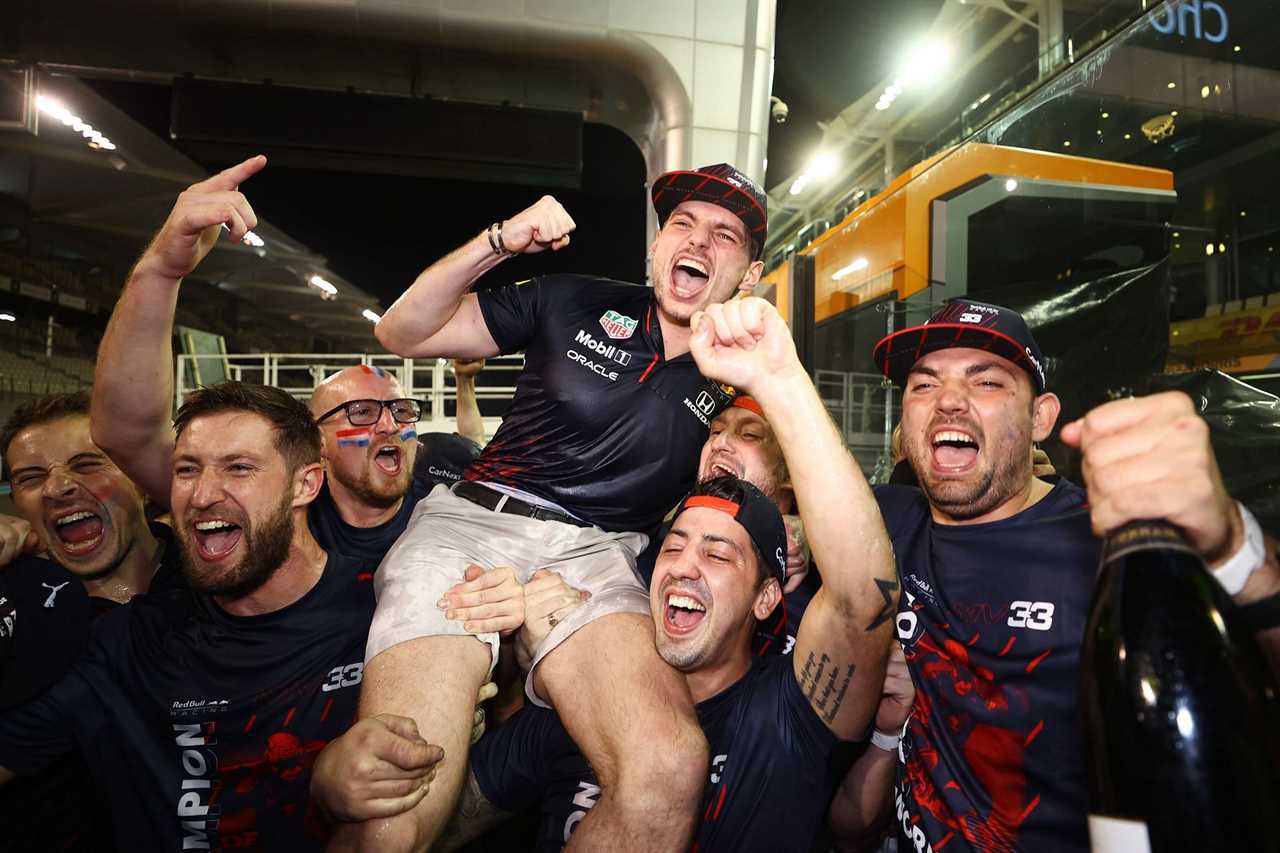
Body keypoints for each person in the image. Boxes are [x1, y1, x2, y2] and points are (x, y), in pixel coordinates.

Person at [313, 297, 901, 852]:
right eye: (675, 547)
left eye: (719, 555)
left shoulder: (786, 710)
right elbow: (439, 812)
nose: (685, 568)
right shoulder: (596, 633)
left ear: (767, 593)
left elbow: (860, 597)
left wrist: (779, 379)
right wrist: (337, 786)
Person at [345, 162, 770, 850]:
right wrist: (500, 241)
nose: (697, 242)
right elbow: (402, 333)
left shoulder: (741, 371)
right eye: (682, 225)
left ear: (748, 276)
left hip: (598, 557)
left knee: (667, 768)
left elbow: (770, 472)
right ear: (657, 248)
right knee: (397, 795)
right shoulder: (571, 297)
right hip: (473, 524)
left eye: (724, 235)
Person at [865, 297, 1280, 853]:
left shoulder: (1112, 541)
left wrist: (1232, 542)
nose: (949, 403)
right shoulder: (880, 523)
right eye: (924, 385)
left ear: (1041, 417)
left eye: (986, 382)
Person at [0, 382, 381, 850]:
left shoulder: (384, 609)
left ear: (306, 483)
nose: (202, 495)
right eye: (186, 470)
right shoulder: (124, 642)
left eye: (238, 468)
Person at [87, 156, 472, 572]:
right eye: (360, 412)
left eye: (399, 410)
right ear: (315, 446)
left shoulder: (447, 472)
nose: (388, 425)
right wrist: (159, 272)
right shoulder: (277, 507)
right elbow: (128, 436)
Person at [0, 390, 187, 851]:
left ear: (141, 479)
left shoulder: (221, 572)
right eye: (30, 476)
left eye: (86, 464)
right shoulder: (15, 615)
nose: (57, 487)